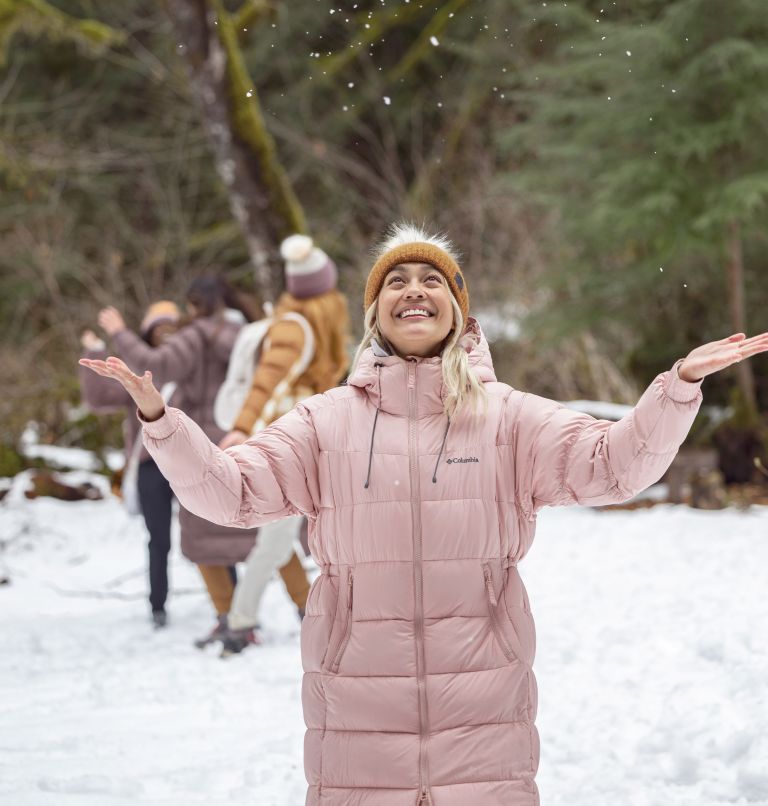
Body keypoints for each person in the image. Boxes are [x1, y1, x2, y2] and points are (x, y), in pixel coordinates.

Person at [80, 222, 768, 805]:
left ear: (459, 311)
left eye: (433, 279)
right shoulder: (324, 422)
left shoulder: (508, 418)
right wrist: (160, 420)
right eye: (397, 281)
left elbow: (615, 466)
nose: (416, 289)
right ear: (376, 312)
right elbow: (228, 492)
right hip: (356, 715)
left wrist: (676, 389)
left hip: (485, 711)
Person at [94, 278, 263, 647]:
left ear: (197, 305)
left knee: (205, 536)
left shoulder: (200, 336)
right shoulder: (250, 336)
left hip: (195, 447)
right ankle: (243, 615)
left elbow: (157, 364)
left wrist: (118, 333)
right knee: (232, 528)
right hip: (235, 439)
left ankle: (233, 618)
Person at [218, 234, 350, 655]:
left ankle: (327, 613)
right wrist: (241, 429)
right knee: (276, 543)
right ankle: (240, 621)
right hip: (289, 450)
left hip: (312, 445)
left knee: (331, 537)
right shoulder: (296, 327)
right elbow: (267, 381)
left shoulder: (311, 321)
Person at [79, 301, 181, 628]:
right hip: (151, 466)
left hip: (192, 463)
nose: (165, 335)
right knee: (159, 539)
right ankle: (158, 605)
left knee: (208, 531)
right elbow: (99, 398)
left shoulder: (192, 369)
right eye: (158, 328)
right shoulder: (137, 376)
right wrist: (95, 351)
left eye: (171, 327)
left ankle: (229, 605)